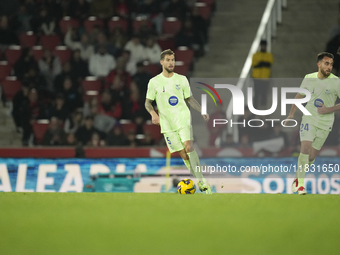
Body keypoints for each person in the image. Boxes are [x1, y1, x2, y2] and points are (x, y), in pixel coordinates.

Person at [144, 49, 211, 194]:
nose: (171, 62)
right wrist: (153, 114)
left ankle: (201, 181)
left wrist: (201, 110)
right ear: (162, 62)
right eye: (168, 60)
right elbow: (147, 102)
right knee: (184, 155)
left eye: (173, 60)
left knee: (188, 147)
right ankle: (201, 182)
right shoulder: (154, 82)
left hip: (182, 117)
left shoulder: (182, 79)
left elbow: (190, 99)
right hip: (167, 123)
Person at [285, 52, 340, 195]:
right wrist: (291, 114)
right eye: (326, 64)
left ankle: (297, 178)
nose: (329, 67)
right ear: (319, 64)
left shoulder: (336, 81)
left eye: (331, 65)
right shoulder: (309, 78)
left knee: (311, 157)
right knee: (305, 147)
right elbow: (299, 96)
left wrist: (329, 109)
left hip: (326, 122)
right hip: (309, 118)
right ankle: (301, 186)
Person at [251, 40, 273, 108]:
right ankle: (255, 107)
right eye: (262, 45)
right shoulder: (256, 55)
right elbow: (254, 64)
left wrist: (260, 63)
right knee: (257, 93)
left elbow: (269, 64)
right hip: (256, 77)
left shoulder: (269, 55)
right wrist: (263, 63)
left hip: (265, 78)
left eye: (264, 45)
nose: (263, 47)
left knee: (264, 94)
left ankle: (263, 108)